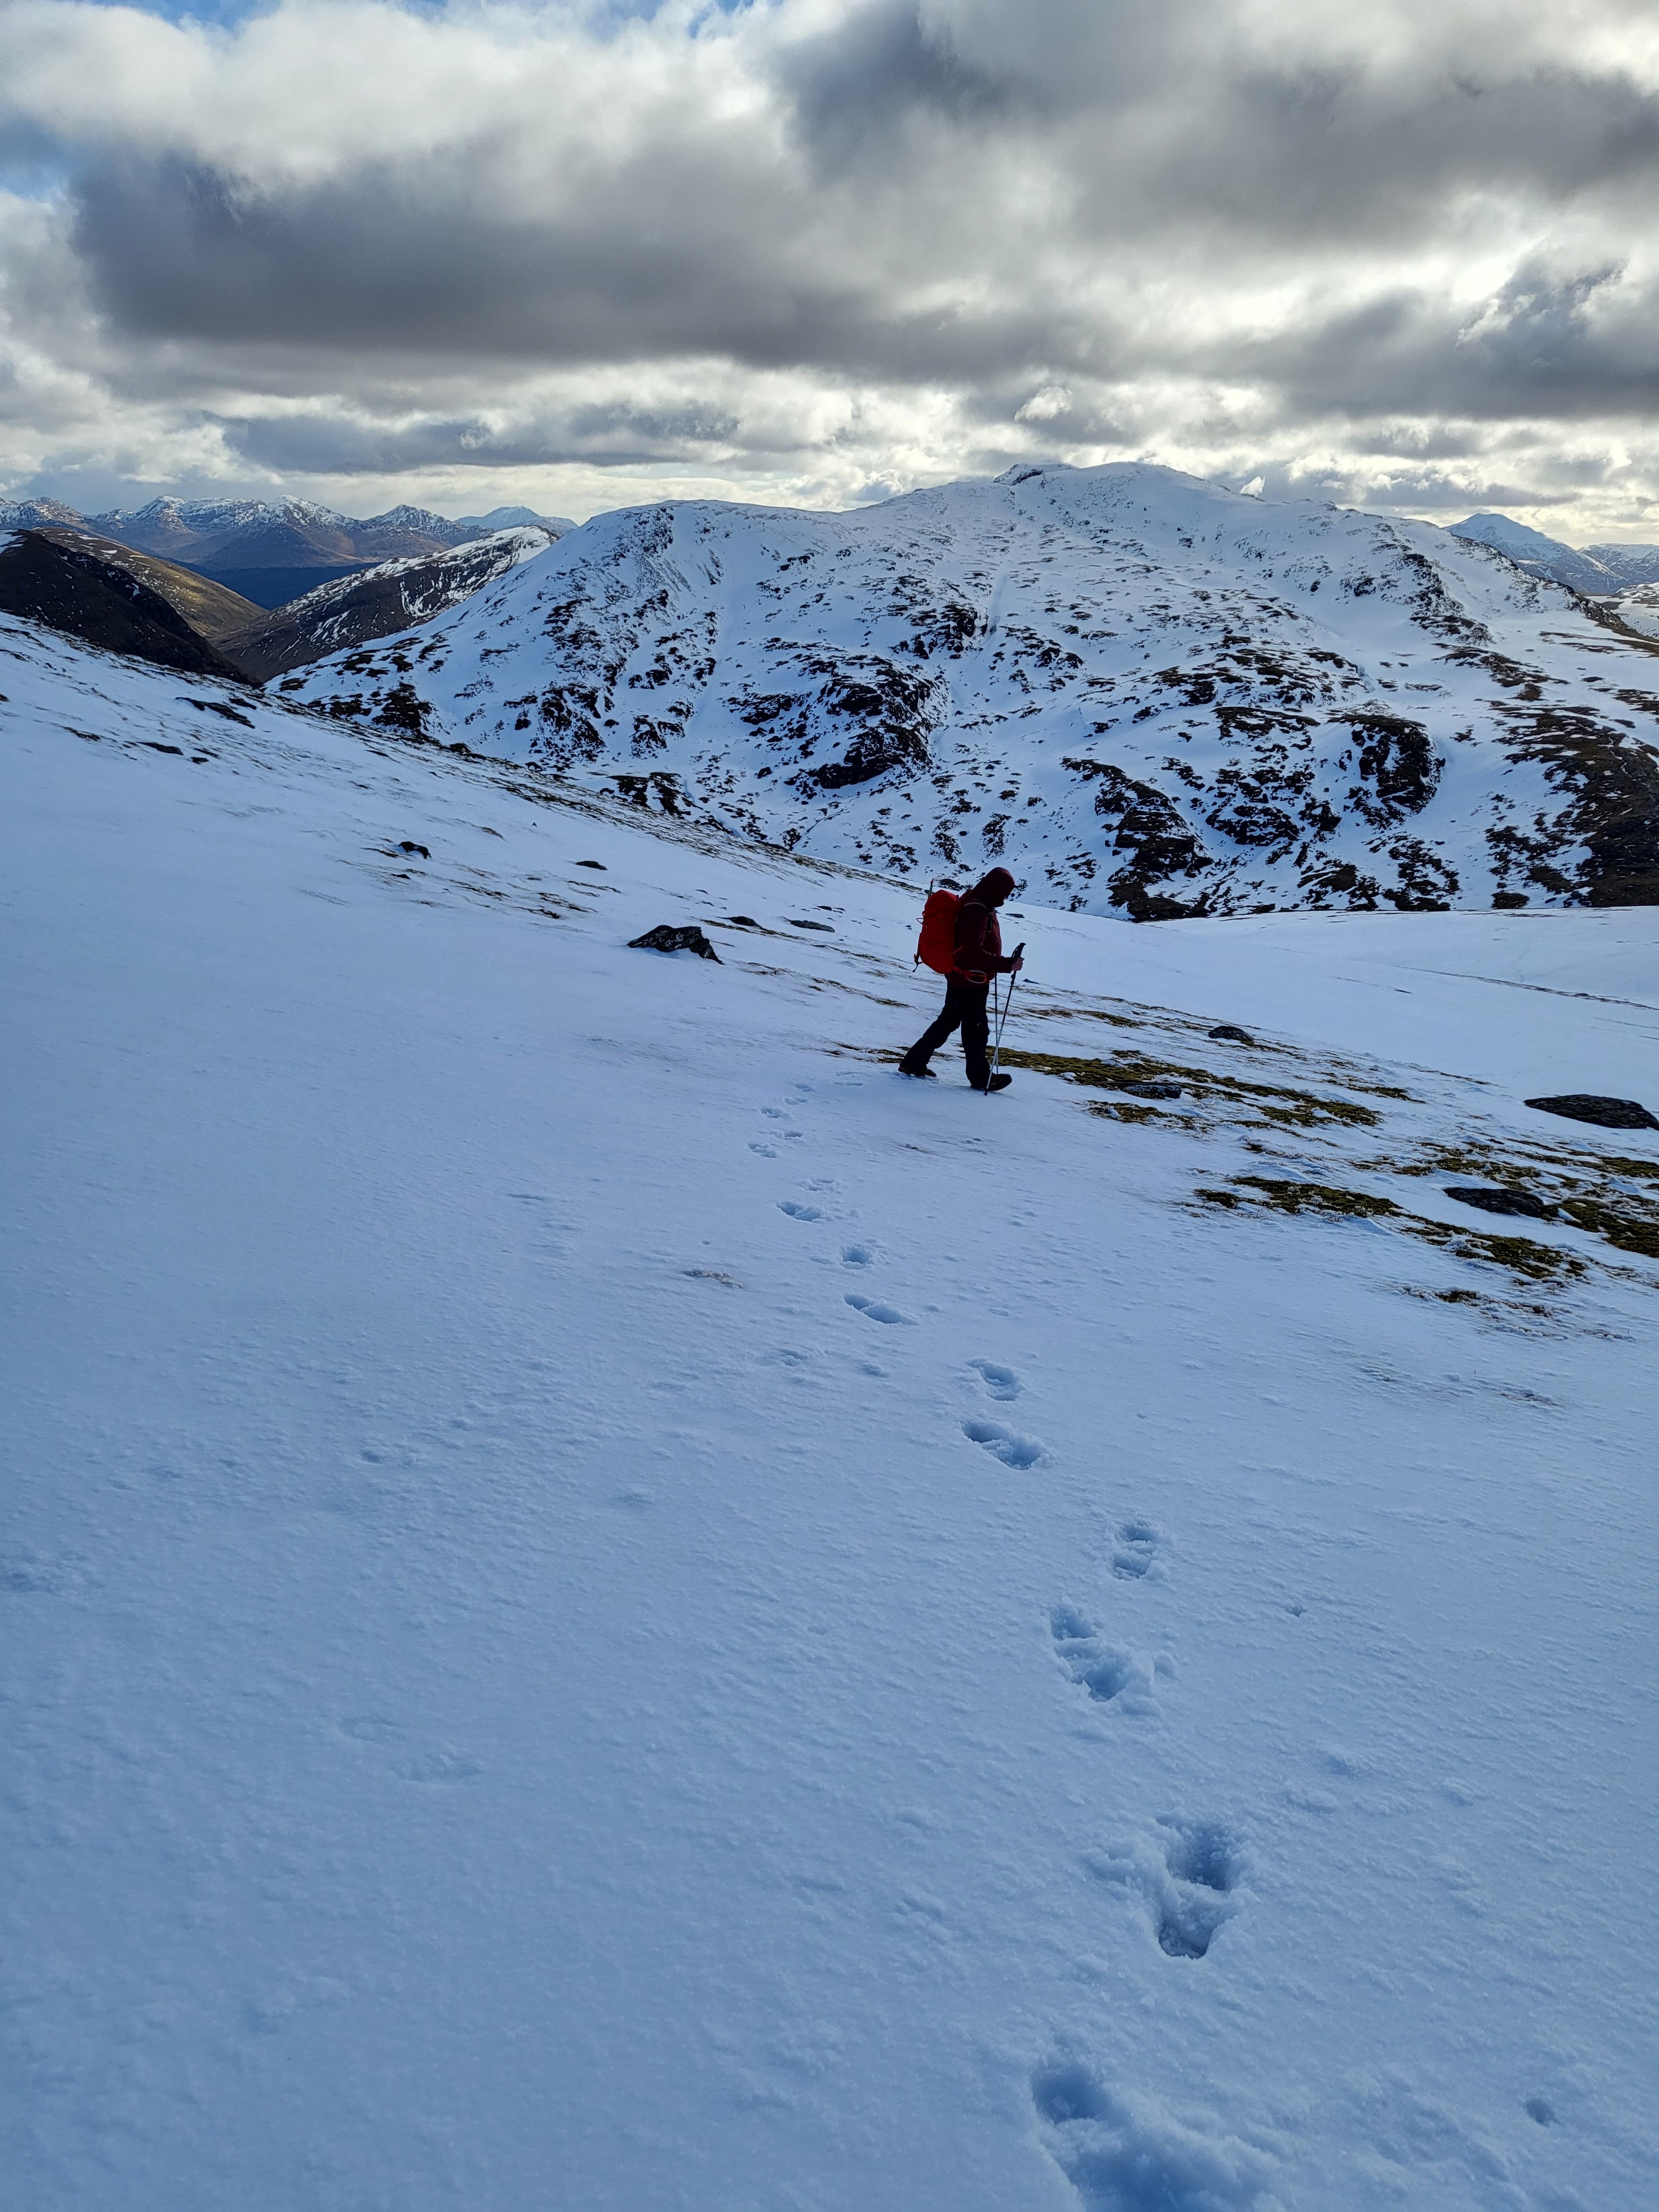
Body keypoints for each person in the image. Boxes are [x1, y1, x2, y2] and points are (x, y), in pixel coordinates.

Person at [899, 866, 1024, 1091]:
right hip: (971, 980)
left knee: (947, 1022)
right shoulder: (977, 909)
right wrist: (1007, 964)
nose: (1006, 898)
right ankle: (980, 1078)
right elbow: (971, 952)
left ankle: (913, 1062)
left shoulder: (979, 902)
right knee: (976, 1029)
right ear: (996, 889)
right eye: (1005, 893)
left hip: (961, 976)